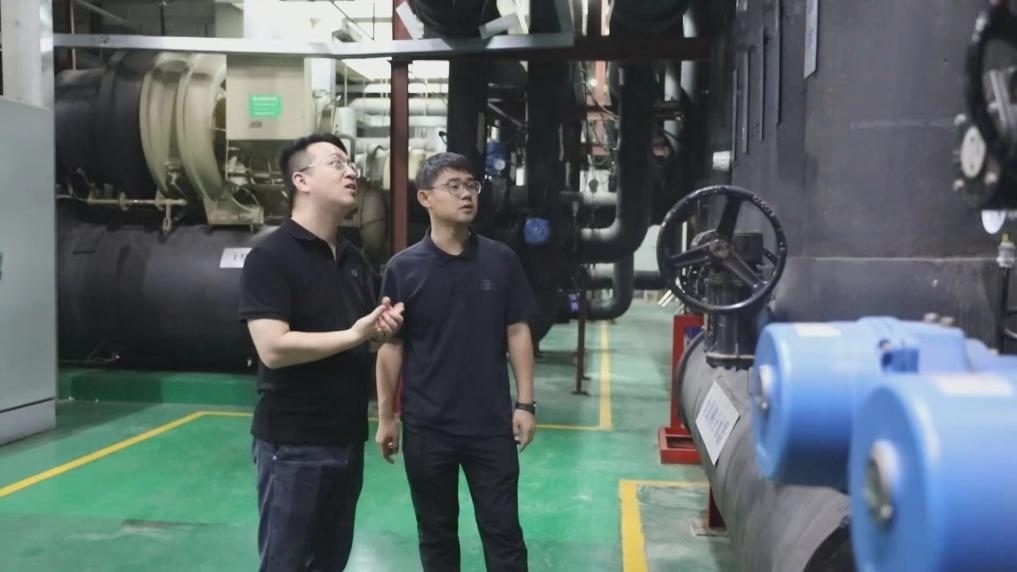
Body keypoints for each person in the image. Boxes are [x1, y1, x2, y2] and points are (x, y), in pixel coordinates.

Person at [238, 133, 404, 571]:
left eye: (351, 165)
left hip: (345, 438)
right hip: (293, 445)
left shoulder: (353, 260)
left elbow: (366, 335)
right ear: (301, 180)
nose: (351, 173)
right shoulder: (270, 257)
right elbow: (273, 348)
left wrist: (381, 331)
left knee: (330, 562)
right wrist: (354, 334)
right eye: (336, 163)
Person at [374, 152, 537, 572]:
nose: (467, 194)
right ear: (425, 197)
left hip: (490, 426)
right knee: (436, 535)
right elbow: (391, 347)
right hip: (428, 427)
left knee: (504, 534)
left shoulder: (501, 260)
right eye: (454, 186)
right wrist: (387, 418)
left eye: (471, 185)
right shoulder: (403, 269)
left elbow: (517, 332)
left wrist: (525, 404)